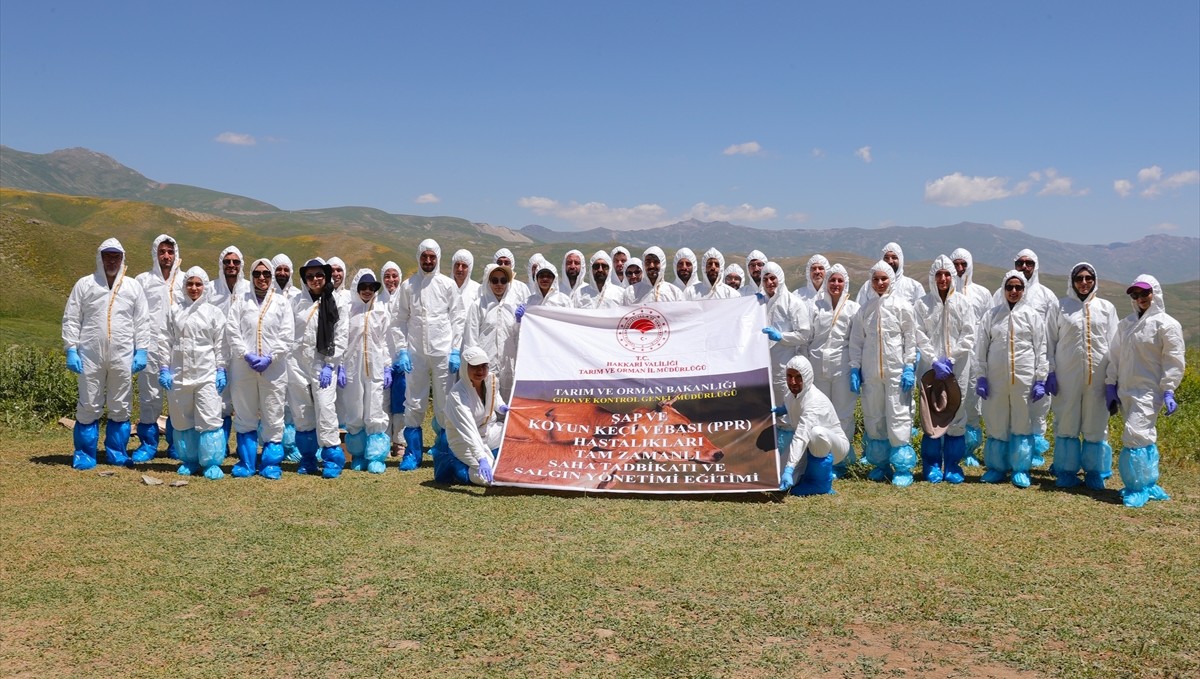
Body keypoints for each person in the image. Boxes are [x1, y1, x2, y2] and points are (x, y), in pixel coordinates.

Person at [62, 238, 150, 469]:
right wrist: (71, 349)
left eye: (116, 256)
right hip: (90, 355)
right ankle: (84, 454)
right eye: (107, 256)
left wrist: (141, 350)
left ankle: (117, 452)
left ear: (123, 259)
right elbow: (72, 318)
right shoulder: (85, 284)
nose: (112, 260)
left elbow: (142, 321)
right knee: (89, 403)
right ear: (100, 258)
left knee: (120, 404)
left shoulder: (133, 287)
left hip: (122, 355)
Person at [1106, 275, 1185, 508]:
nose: (1140, 298)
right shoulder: (1127, 324)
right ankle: (1148, 483)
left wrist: (1169, 389)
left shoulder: (1167, 324)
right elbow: (1115, 356)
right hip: (1126, 390)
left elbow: (1173, 360)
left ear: (1155, 293)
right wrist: (1111, 384)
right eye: (1135, 295)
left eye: (1144, 293)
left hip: (1149, 392)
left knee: (1134, 435)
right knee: (1144, 436)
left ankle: (1137, 487)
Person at [391, 239, 466, 471]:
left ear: (438, 258)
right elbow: (399, 320)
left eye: (432, 256)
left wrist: (455, 349)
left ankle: (445, 454)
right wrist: (401, 350)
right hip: (416, 354)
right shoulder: (408, 286)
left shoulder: (447, 285)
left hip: (443, 353)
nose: (428, 260)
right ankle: (412, 454)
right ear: (418, 257)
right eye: (424, 256)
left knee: (445, 405)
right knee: (414, 402)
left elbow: (458, 318)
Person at [1046, 263, 1120, 489]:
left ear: (1095, 280)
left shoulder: (1106, 308)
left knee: (1095, 424)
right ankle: (1066, 471)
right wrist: (1049, 371)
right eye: (1079, 278)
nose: (1084, 282)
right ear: (1072, 281)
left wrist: (1112, 382)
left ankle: (1094, 472)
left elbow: (1115, 346)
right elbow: (1048, 342)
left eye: (1089, 278)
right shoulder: (1060, 307)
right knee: (1067, 422)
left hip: (1098, 379)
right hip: (1067, 378)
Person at [975, 271, 1048, 488]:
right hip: (996, 380)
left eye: (1018, 287)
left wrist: (1040, 379)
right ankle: (997, 467)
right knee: (997, 421)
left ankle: (1020, 469)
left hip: (1024, 379)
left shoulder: (1032, 316)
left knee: (1022, 422)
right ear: (1003, 289)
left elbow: (1041, 348)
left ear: (1024, 290)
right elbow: (981, 348)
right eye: (1010, 287)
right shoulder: (991, 315)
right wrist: (981, 377)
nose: (1014, 291)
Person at [849, 261, 919, 486]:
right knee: (875, 416)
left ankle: (902, 468)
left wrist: (909, 366)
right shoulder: (865, 309)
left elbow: (911, 338)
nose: (880, 283)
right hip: (871, 374)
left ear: (891, 280)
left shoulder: (903, 306)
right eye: (876, 279)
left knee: (898, 416)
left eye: (884, 279)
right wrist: (854, 367)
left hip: (897, 373)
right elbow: (857, 341)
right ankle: (880, 464)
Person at [226, 258, 294, 479]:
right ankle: (246, 462)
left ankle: (270, 464)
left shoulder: (282, 303)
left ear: (272, 276)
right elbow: (232, 330)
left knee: (273, 414)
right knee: (245, 414)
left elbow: (287, 335)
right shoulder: (240, 302)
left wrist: (271, 357)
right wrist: (246, 354)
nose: (262, 278)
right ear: (252, 276)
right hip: (243, 367)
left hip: (273, 370)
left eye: (266, 274)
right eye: (257, 274)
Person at [157, 266, 227, 479]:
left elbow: (221, 344)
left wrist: (221, 368)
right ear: (184, 286)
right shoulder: (174, 310)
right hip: (179, 375)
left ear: (205, 287)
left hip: (207, 375)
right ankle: (190, 459)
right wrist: (164, 368)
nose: (194, 288)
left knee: (209, 418)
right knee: (182, 419)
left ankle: (211, 462)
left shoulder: (214, 313)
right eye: (190, 284)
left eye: (198, 284)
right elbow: (164, 340)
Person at [913, 255, 977, 484]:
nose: (943, 278)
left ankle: (952, 465)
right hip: (930, 369)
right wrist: (933, 360)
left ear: (953, 277)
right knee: (931, 414)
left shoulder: (963, 303)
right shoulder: (922, 304)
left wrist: (951, 359)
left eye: (947, 274)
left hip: (957, 368)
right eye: (938, 274)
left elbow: (969, 334)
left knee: (956, 414)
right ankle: (931, 465)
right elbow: (918, 334)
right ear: (932, 277)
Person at [992, 249, 1058, 463]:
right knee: (1006, 411)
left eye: (1029, 263)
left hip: (1034, 365)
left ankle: (1031, 454)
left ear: (1035, 266)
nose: (1024, 266)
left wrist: (1048, 371)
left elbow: (1051, 336)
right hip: (1002, 366)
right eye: (1020, 262)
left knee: (1036, 410)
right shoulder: (997, 296)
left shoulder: (1047, 297)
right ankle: (1005, 456)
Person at [132, 234, 185, 462]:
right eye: (162, 251)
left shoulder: (186, 280)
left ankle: (177, 444)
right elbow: (136, 315)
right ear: (155, 253)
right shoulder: (142, 281)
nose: (166, 256)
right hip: (151, 346)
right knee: (149, 396)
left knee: (178, 397)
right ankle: (148, 443)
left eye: (170, 252)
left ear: (176, 254)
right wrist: (138, 347)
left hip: (179, 348)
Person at [295, 258, 348, 478]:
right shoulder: (296, 302)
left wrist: (331, 363)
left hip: (323, 363)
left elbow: (341, 334)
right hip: (297, 364)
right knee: (302, 410)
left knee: (325, 409)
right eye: (310, 276)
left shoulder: (336, 301)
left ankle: (332, 457)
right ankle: (307, 457)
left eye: (319, 275)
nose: (315, 280)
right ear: (304, 280)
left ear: (325, 276)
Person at [808, 264, 859, 475]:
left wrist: (855, 367)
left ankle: (841, 461)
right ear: (827, 282)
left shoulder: (853, 308)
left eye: (839, 281)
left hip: (842, 368)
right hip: (817, 367)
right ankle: (820, 458)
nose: (835, 284)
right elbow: (807, 338)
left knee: (842, 415)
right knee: (820, 416)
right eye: (832, 280)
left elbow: (856, 342)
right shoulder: (815, 306)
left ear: (845, 282)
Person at [776, 355, 850, 496]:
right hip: (811, 446)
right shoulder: (791, 393)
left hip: (834, 448)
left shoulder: (815, 401)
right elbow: (793, 404)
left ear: (807, 377)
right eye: (789, 376)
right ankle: (806, 475)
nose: (793, 382)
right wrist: (781, 410)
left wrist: (789, 469)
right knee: (780, 478)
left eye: (798, 377)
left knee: (817, 433)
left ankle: (820, 484)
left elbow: (801, 436)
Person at [342, 269, 392, 474]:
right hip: (352, 368)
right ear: (356, 288)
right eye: (363, 287)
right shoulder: (348, 311)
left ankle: (376, 456)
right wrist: (340, 366)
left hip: (376, 369)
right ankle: (358, 454)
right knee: (355, 411)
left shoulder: (381, 312)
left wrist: (388, 366)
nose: (367, 291)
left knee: (374, 410)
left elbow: (386, 341)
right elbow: (341, 340)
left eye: (371, 287)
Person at [434, 346, 506, 486]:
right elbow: (469, 431)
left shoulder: (490, 379)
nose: (480, 371)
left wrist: (502, 407)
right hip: (464, 441)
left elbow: (494, 396)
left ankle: (492, 458)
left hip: (487, 431)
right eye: (475, 366)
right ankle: (458, 467)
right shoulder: (457, 395)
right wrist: (481, 459)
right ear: (465, 367)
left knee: (512, 436)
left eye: (484, 366)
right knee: (491, 478)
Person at [949, 247, 993, 464]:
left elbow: (990, 327)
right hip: (951, 355)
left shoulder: (982, 294)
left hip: (975, 355)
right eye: (955, 264)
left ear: (970, 266)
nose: (959, 269)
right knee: (950, 400)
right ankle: (948, 444)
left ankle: (970, 449)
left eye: (962, 264)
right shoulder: (945, 293)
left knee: (972, 401)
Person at [207, 245, 249, 450]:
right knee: (219, 400)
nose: (231, 265)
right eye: (227, 262)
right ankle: (219, 446)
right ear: (221, 264)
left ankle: (244, 449)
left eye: (235, 262)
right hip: (217, 352)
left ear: (241, 265)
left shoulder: (249, 289)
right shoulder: (210, 288)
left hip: (243, 354)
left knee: (243, 400)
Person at [759, 262, 812, 420]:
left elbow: (804, 334)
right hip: (763, 364)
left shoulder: (793, 303)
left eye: (773, 278)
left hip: (785, 366)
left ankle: (788, 439)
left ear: (780, 278)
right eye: (765, 279)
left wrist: (781, 336)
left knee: (786, 409)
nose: (769, 283)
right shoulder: (759, 302)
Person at [464, 264, 520, 399]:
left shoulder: (513, 307)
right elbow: (471, 338)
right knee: (485, 401)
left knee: (506, 402)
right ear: (488, 282)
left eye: (503, 280)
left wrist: (520, 321)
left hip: (508, 365)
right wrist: (475, 365)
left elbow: (518, 337)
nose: (499, 284)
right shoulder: (479, 305)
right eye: (494, 280)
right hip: (485, 365)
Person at [379, 260, 406, 457]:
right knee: (382, 403)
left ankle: (400, 441)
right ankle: (383, 441)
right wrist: (384, 362)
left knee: (402, 402)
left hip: (403, 359)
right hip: (382, 360)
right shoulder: (377, 301)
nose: (391, 280)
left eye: (394, 275)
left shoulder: (405, 299)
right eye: (387, 276)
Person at [855, 242, 925, 306]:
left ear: (901, 260)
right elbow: (859, 311)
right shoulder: (868, 286)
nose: (890, 261)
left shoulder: (914, 287)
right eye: (886, 258)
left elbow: (921, 314)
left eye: (894, 257)